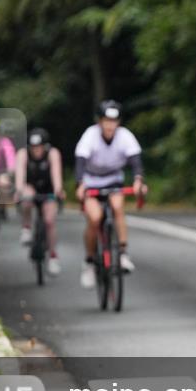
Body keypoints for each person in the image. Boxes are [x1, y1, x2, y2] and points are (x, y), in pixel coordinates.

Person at [74, 100, 145, 289]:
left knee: (118, 207)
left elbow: (135, 160)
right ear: (99, 121)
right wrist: (80, 184)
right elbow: (80, 160)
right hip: (91, 182)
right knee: (95, 218)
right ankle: (89, 261)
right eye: (106, 121)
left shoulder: (125, 136)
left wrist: (138, 181)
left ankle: (122, 253)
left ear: (118, 122)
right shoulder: (90, 135)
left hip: (114, 180)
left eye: (113, 121)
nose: (110, 125)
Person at [14, 128, 65, 275]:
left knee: (49, 221)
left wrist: (58, 190)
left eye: (40, 147)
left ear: (45, 146)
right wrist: (19, 191)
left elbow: (56, 175)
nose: (37, 150)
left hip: (48, 190)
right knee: (27, 196)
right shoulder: (23, 154)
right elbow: (20, 177)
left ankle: (53, 256)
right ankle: (27, 227)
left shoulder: (53, 154)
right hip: (30, 188)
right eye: (34, 147)